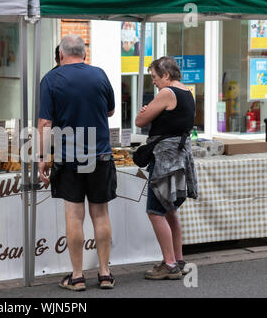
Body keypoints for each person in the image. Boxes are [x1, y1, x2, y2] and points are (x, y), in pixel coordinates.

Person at [38, 34, 117, 291]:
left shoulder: (51, 79)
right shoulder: (100, 75)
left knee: (74, 216)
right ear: (84, 53)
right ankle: (105, 273)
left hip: (68, 156)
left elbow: (45, 124)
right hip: (100, 155)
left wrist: (41, 157)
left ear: (60, 54)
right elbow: (111, 111)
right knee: (101, 214)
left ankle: (77, 276)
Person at [135, 56, 198, 280]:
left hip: (164, 160)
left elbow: (139, 122)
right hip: (180, 159)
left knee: (155, 211)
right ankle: (178, 260)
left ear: (166, 76)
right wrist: (153, 111)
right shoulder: (187, 92)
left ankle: (169, 264)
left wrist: (147, 111)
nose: (153, 81)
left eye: (154, 77)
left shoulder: (167, 93)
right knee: (170, 209)